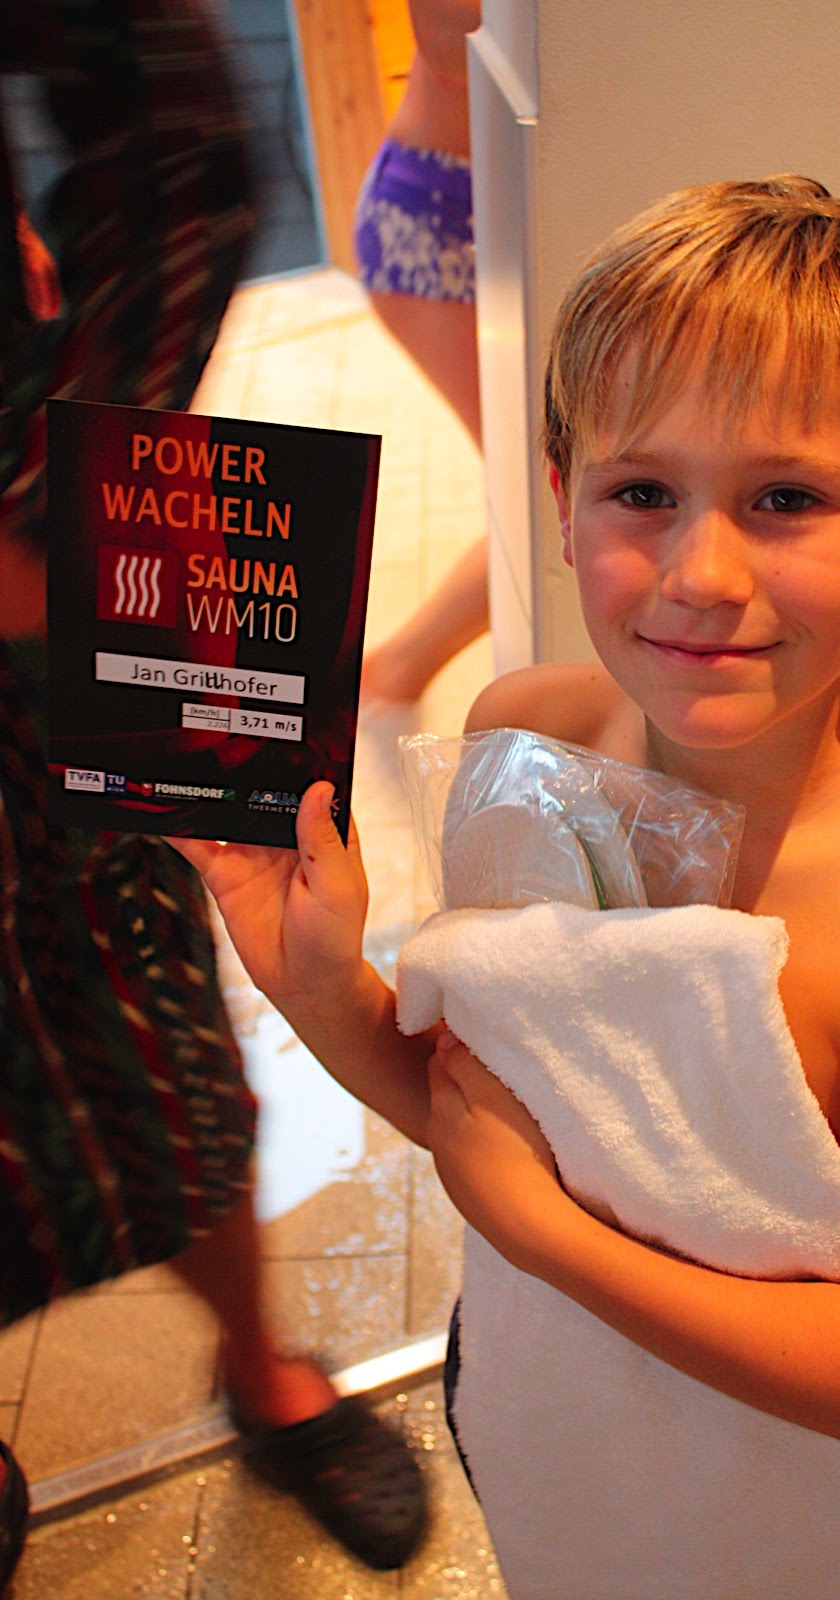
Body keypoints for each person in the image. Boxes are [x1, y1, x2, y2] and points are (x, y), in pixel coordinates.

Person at [173, 177, 840, 1598]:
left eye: (784, 498)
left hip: (789, 1538)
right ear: (560, 496)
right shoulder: (524, 736)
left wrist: (544, 1237)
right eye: (643, 492)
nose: (701, 572)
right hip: (555, 1457)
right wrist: (319, 984)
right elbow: (483, 1118)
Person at [0, 2, 425, 1585]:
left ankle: (262, 1367)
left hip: (31, 637)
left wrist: (56, 500)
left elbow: (172, 121)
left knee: (135, 1010)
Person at [354, 0, 488, 704]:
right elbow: (449, 44)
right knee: (550, 488)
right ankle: (394, 672)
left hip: (490, 210)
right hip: (434, 224)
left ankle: (398, 670)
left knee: (554, 483)